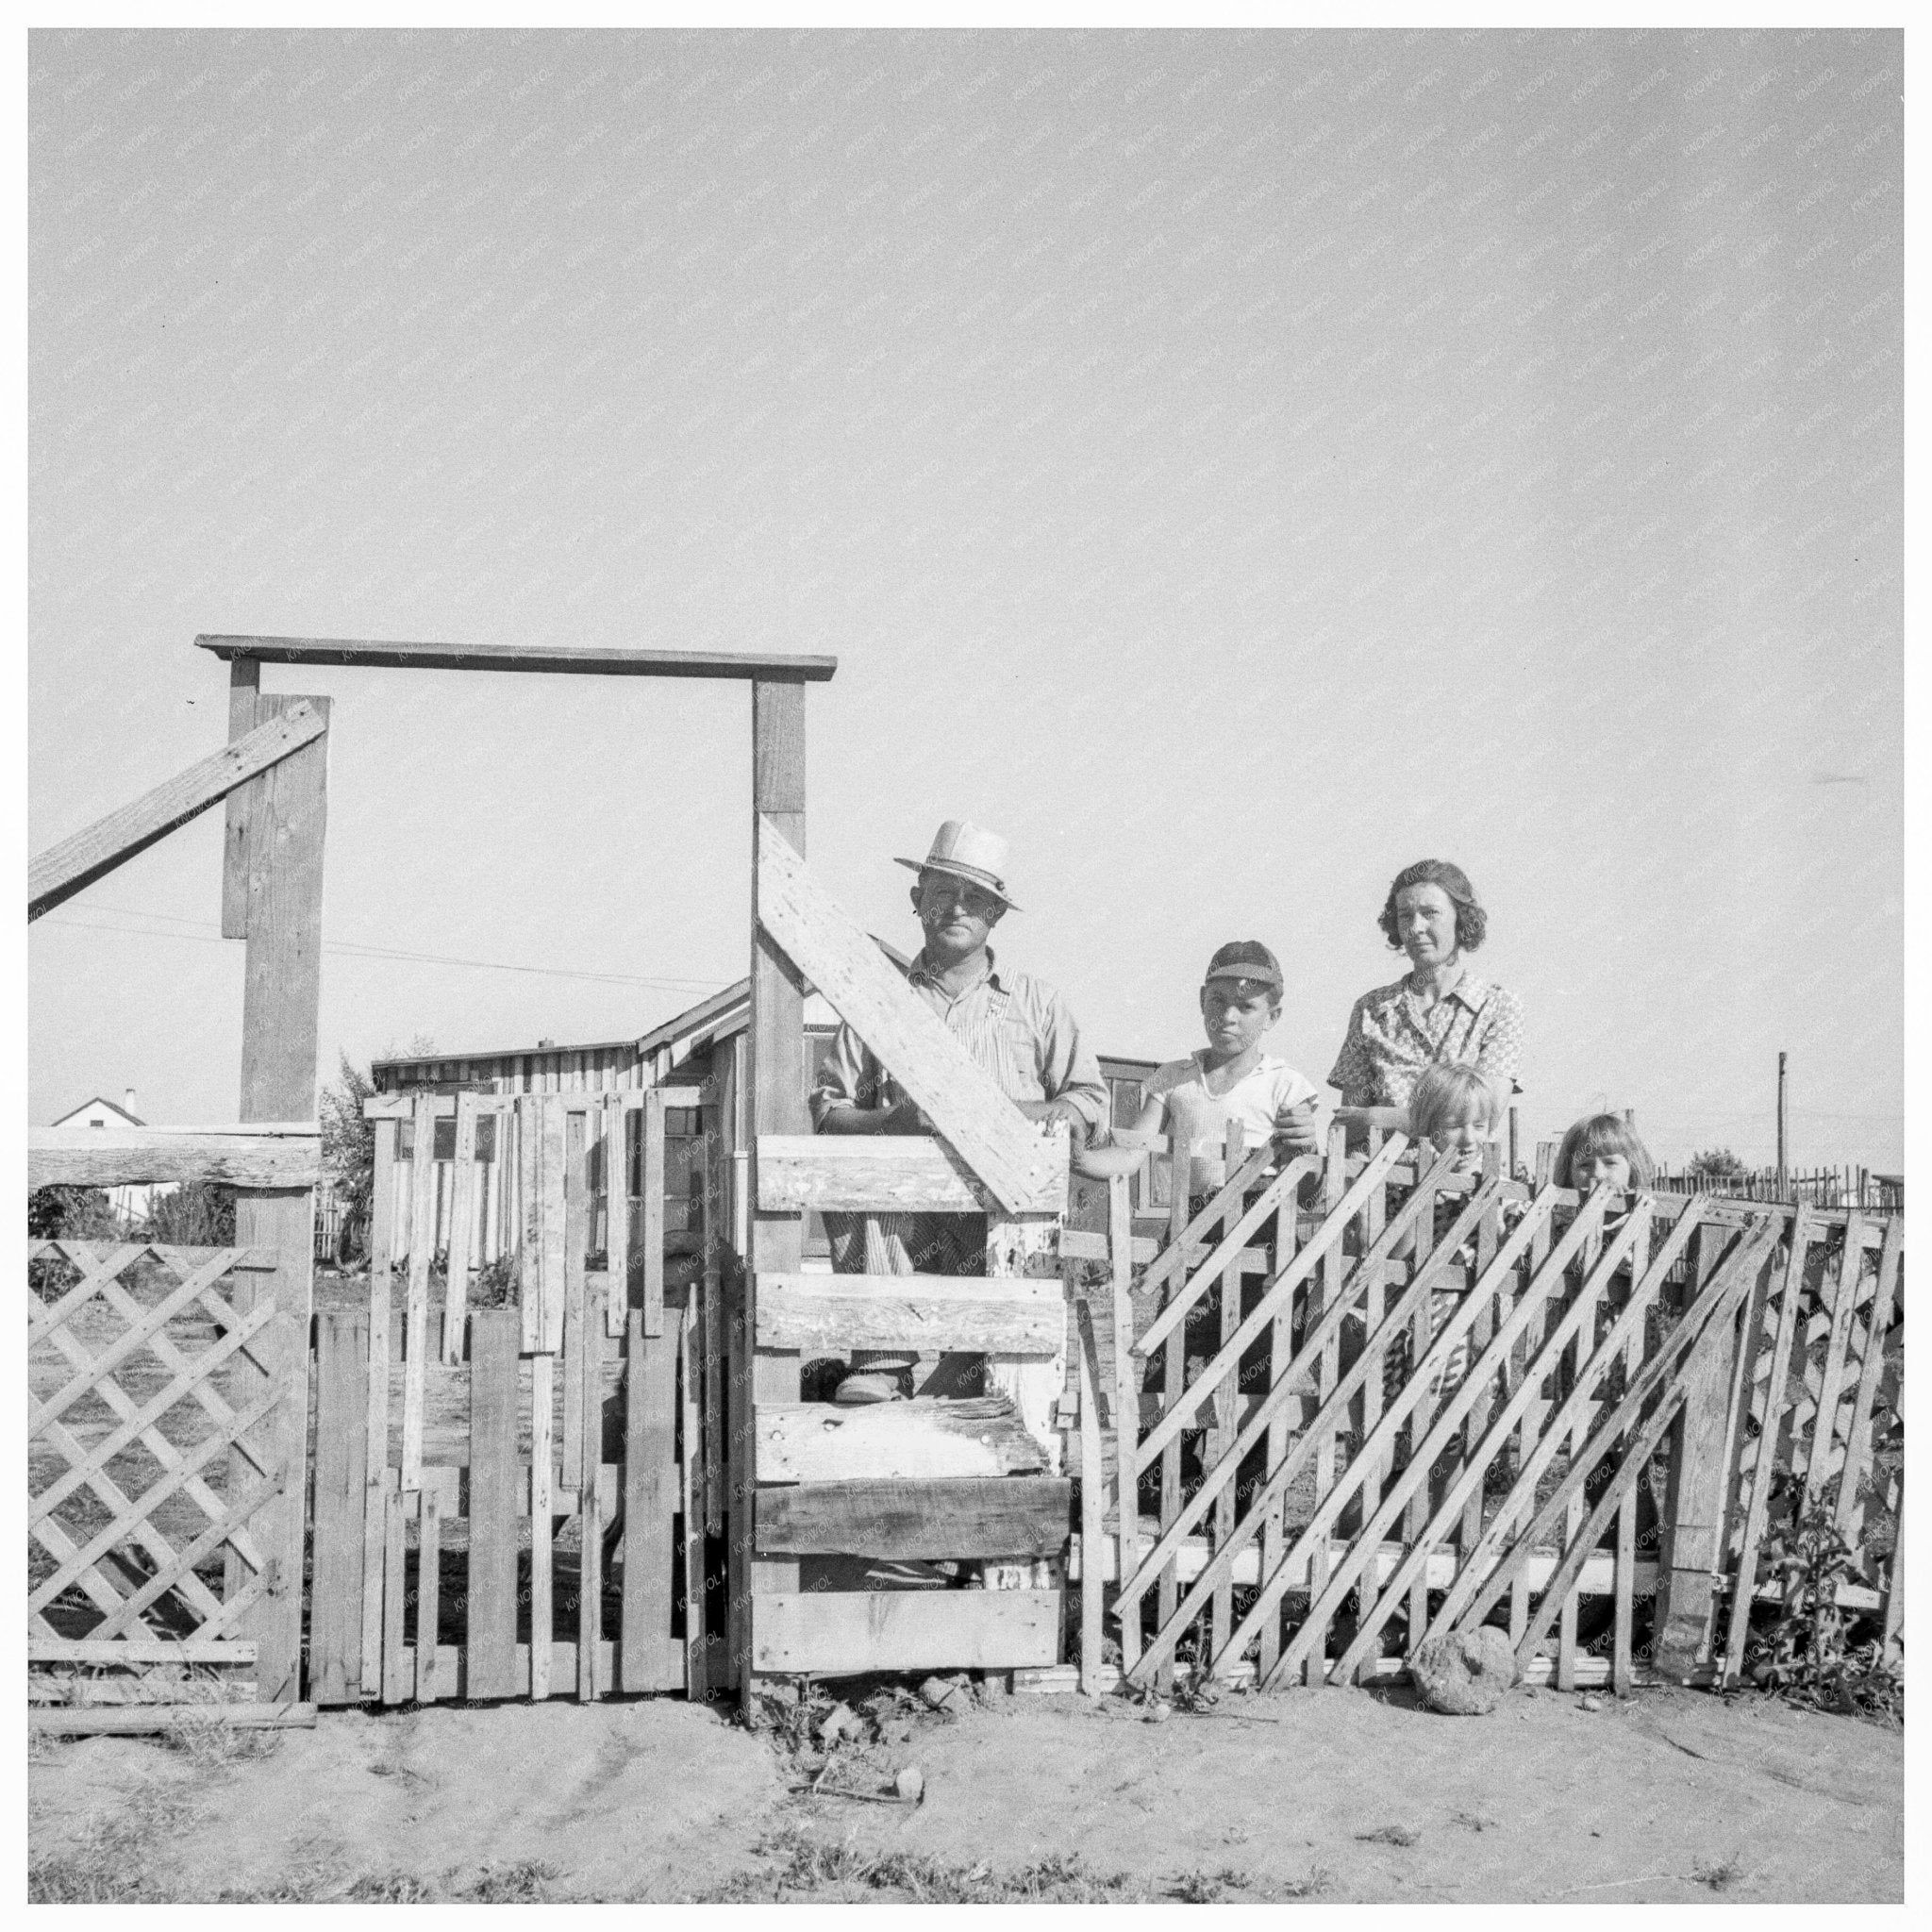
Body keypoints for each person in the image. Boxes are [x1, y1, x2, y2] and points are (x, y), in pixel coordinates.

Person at [809, 819, 1108, 1404]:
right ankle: (885, 1362)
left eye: (976, 898)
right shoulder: (878, 1002)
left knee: (994, 1329)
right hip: (906, 1216)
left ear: (996, 914)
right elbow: (827, 1112)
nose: (957, 908)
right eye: (943, 892)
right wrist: (890, 1124)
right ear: (917, 899)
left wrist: (1009, 1116)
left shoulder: (1037, 1004)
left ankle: (961, 1378)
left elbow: (1088, 1100)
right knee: (865, 1192)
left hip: (1002, 1216)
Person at [1328, 859, 1524, 1125]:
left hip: (1460, 1168)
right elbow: (1349, 1125)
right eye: (1405, 915)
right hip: (1376, 1167)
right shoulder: (1371, 1010)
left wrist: (1377, 1116)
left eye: (1430, 913)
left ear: (1461, 919)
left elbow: (1482, 1118)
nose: (1415, 927)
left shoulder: (1498, 1007)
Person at [1126, 941, 1324, 1200]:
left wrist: (1307, 1147)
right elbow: (1129, 1153)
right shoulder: (1173, 1078)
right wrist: (1079, 1156)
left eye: (1246, 1007)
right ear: (1201, 1001)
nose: (1228, 1016)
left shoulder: (1284, 1085)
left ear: (1272, 1017)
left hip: (1259, 1226)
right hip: (1186, 1227)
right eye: (1218, 1000)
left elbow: (1306, 1194)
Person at [1554, 1111, 1655, 1196]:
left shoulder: (1641, 1215)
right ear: (1568, 1175)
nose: (1598, 1174)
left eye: (1610, 1163)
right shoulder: (1555, 1216)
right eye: (1585, 1165)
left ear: (1633, 1172)